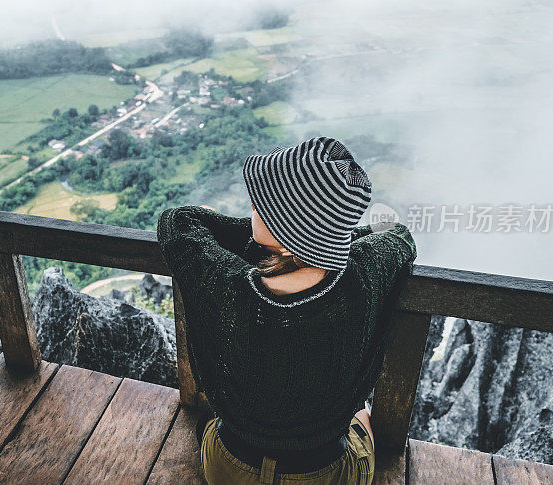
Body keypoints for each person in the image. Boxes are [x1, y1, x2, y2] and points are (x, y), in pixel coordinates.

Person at [156, 136, 417, 484]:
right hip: (325, 474)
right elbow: (398, 235)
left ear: (283, 230)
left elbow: (179, 221)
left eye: (260, 206)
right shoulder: (364, 274)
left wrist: (256, 238)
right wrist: (330, 242)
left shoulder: (225, 283)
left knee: (218, 427)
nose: (252, 206)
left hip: (230, 467)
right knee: (360, 415)